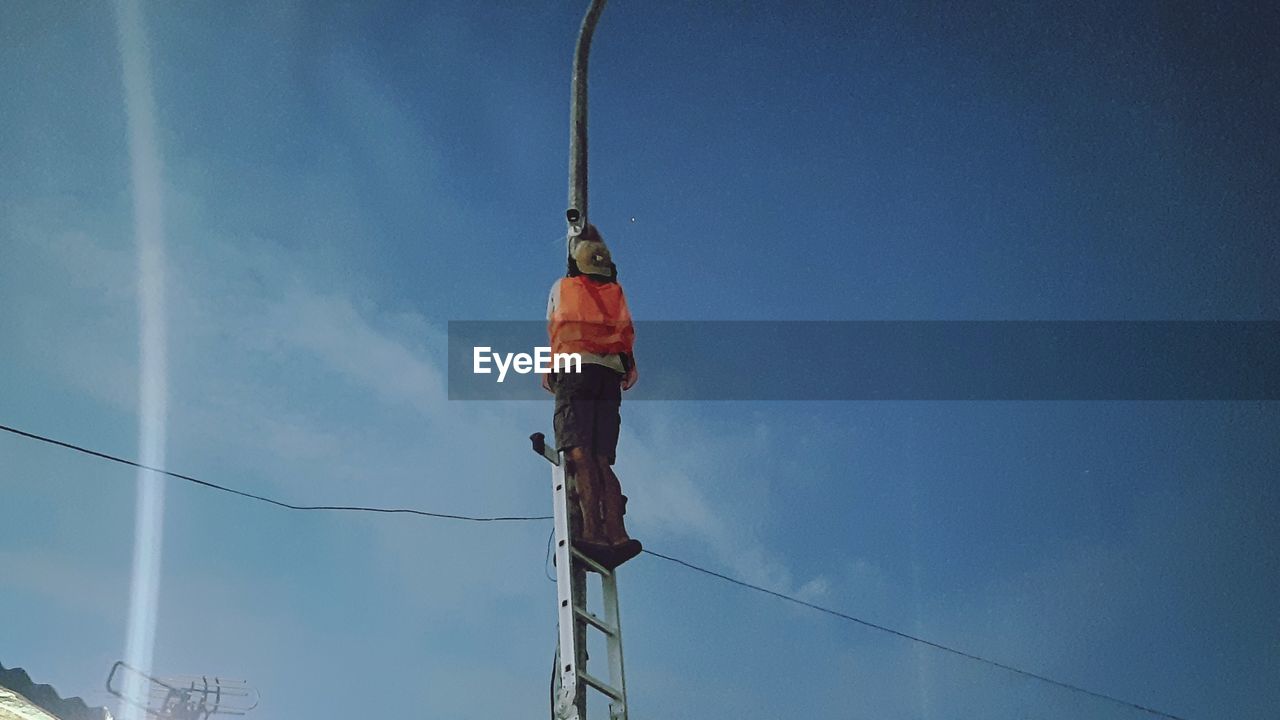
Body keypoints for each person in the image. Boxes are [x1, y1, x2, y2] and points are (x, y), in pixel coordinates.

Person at [542, 223, 641, 569]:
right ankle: (618, 535)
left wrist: (550, 372)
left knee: (579, 454)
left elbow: (556, 328)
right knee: (602, 459)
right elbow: (627, 335)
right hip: (609, 377)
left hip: (576, 371)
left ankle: (593, 536)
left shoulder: (562, 287)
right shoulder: (616, 292)